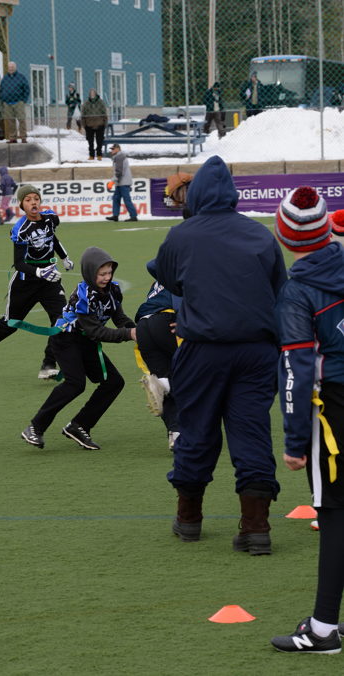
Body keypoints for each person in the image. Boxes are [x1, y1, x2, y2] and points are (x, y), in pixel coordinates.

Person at [154, 155, 287, 551]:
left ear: (195, 196)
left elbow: (167, 277)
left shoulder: (181, 235)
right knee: (252, 432)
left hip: (203, 349)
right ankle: (256, 526)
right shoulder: (260, 234)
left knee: (197, 429)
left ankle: (189, 518)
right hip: (256, 350)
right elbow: (279, 289)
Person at [270, 187, 344, 654]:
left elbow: (296, 369)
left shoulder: (297, 291)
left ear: (284, 237)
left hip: (333, 411)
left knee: (335, 514)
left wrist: (295, 443)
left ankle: (322, 630)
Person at [21, 246, 137, 451]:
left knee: (114, 382)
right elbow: (96, 332)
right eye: (102, 274)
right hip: (66, 340)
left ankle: (79, 426)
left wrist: (138, 330)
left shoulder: (113, 290)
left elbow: (119, 317)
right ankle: (35, 427)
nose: (107, 278)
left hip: (86, 341)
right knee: (75, 384)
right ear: (90, 272)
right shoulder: (83, 295)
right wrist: (129, 334)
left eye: (109, 273)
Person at [0, 184, 74, 379]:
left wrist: (64, 257)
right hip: (26, 282)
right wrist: (40, 272)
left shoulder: (50, 217)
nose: (33, 202)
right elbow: (19, 263)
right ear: (22, 205)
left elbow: (52, 238)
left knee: (62, 319)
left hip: (49, 280)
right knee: (11, 323)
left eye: (36, 198)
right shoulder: (20, 229)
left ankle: (48, 364)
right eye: (28, 200)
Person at [135, 259, 181, 450]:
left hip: (143, 327)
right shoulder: (192, 270)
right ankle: (164, 384)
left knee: (164, 374)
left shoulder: (165, 273)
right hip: (167, 322)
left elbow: (151, 264)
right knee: (198, 372)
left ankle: (176, 434)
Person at [105, 143, 138, 222]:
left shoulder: (119, 157)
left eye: (113, 149)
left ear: (117, 149)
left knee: (126, 200)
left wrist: (112, 181)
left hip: (123, 182)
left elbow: (119, 172)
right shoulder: (119, 156)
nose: (111, 150)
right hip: (120, 182)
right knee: (116, 198)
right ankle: (115, 215)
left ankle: (133, 216)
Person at [0, 61, 30, 143]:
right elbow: (1, 89)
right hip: (8, 103)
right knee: (11, 121)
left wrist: (23, 100)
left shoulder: (21, 77)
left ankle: (23, 137)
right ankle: (13, 138)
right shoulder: (5, 78)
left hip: (18, 102)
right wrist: (3, 99)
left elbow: (26, 89)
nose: (11, 69)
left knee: (21, 120)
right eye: (9, 67)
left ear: (15, 68)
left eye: (12, 67)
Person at [81, 88, 108, 160]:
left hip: (100, 124)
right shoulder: (86, 103)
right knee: (90, 141)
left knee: (99, 141)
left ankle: (99, 154)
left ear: (96, 94)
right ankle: (91, 155)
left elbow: (104, 113)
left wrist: (104, 123)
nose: (92, 94)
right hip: (89, 125)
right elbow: (83, 114)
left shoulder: (101, 102)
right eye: (91, 93)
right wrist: (84, 124)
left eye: (93, 93)